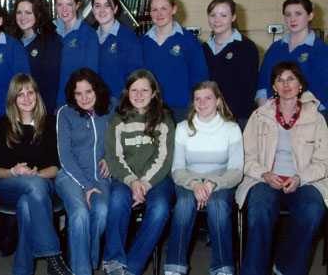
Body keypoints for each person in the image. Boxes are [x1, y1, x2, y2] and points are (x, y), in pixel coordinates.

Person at [237, 61, 328, 275]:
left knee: (313, 212)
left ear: (301, 85)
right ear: (274, 87)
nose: (285, 84)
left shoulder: (316, 118)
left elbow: (323, 162)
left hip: (305, 181)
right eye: (279, 80)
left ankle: (286, 267)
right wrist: (265, 174)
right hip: (264, 180)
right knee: (259, 210)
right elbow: (245, 157)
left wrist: (299, 178)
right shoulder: (259, 116)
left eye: (291, 79)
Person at [0, 73, 73, 275]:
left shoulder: (50, 122)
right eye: (20, 94)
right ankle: (54, 256)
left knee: (27, 205)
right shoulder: (1, 124)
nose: (27, 98)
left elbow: (55, 166)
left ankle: (21, 271)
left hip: (42, 185)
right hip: (10, 185)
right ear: (13, 99)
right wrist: (14, 171)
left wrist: (36, 176)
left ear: (37, 95)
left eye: (30, 92)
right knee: (33, 188)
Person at [165, 80, 242, 275]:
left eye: (207, 98)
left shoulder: (231, 129)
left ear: (218, 101)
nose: (202, 103)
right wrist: (194, 184)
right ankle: (175, 267)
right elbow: (178, 168)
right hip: (189, 180)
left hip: (221, 181)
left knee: (219, 208)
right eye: (197, 99)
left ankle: (222, 268)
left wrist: (212, 183)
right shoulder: (183, 128)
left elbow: (236, 170)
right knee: (183, 205)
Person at [103, 69, 175, 275]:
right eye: (134, 89)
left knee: (161, 208)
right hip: (126, 179)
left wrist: (144, 184)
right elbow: (114, 159)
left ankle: (132, 269)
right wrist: (133, 182)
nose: (139, 94)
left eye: (145, 89)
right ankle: (113, 263)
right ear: (127, 92)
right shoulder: (117, 121)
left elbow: (165, 159)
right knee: (116, 200)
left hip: (157, 180)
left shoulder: (165, 121)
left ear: (154, 93)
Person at [54, 68, 116, 275]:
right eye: (78, 93)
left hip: (101, 176)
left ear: (97, 90)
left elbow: (122, 139)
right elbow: (65, 156)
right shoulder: (64, 113)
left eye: (88, 91)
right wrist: (86, 186)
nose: (84, 98)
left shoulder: (111, 108)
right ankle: (82, 271)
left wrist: (111, 158)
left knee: (101, 211)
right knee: (80, 214)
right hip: (70, 176)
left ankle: (83, 261)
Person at [140, 0, 209, 122]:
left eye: (164, 8)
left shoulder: (189, 41)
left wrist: (197, 105)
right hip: (150, 108)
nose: (159, 13)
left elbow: (200, 78)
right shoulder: (142, 42)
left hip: (182, 109)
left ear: (174, 9)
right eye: (154, 10)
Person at [256, 0, 328, 112]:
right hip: (273, 115)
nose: (292, 19)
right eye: (288, 14)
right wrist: (266, 113)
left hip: (309, 116)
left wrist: (291, 115)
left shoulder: (321, 50)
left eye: (298, 14)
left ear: (310, 16)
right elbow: (263, 86)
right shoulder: (275, 48)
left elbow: (319, 91)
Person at [202, 0, 259, 125]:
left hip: (237, 117)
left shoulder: (246, 47)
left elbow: (248, 88)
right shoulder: (203, 49)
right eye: (213, 15)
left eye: (223, 15)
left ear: (233, 17)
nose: (217, 20)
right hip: (209, 116)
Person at [13, 0, 62, 112]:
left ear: (38, 14)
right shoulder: (14, 42)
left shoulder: (50, 41)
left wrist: (44, 114)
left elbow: (51, 84)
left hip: (40, 110)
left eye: (28, 12)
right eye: (19, 12)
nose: (22, 17)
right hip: (17, 110)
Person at [92, 0, 143, 99]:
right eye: (97, 6)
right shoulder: (91, 38)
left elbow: (135, 75)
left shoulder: (127, 37)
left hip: (120, 103)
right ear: (92, 9)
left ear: (115, 9)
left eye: (107, 5)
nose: (102, 10)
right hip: (95, 104)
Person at [53, 0, 99, 106]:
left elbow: (91, 73)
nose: (64, 9)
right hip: (53, 100)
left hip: (77, 102)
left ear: (77, 5)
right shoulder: (51, 32)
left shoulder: (88, 34)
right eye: (59, 5)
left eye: (69, 4)